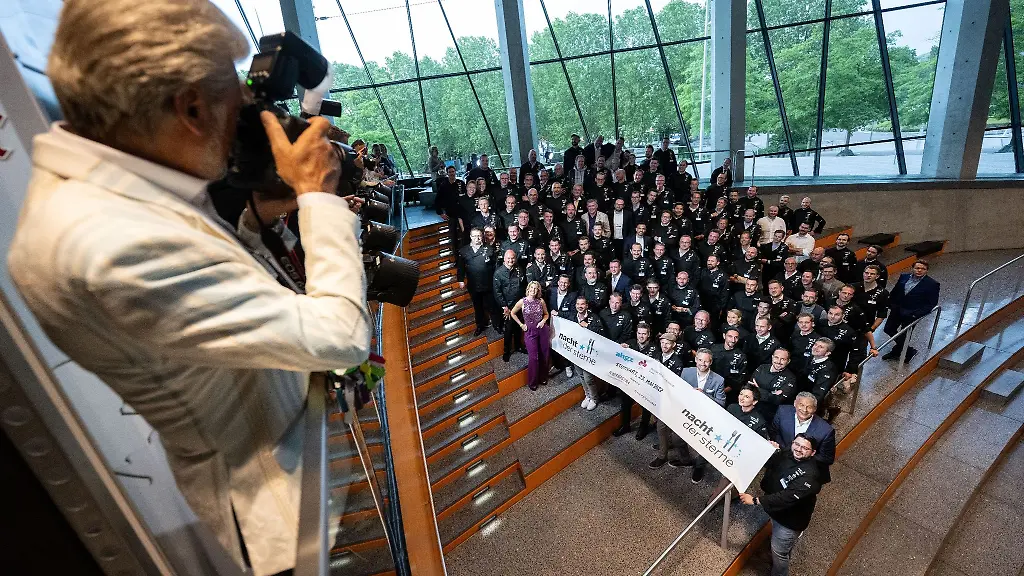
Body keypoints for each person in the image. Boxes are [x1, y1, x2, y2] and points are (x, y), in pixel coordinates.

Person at [8, 3, 372, 575]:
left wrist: (258, 227)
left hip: (304, 448)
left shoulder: (120, 191)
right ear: (193, 109)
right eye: (238, 106)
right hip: (288, 517)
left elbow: (218, 305)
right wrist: (318, 195)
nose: (248, 125)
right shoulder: (104, 244)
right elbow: (341, 334)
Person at [738, 433, 823, 576]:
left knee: (779, 551)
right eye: (796, 444)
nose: (798, 449)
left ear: (813, 452)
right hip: (776, 511)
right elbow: (772, 462)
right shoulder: (787, 452)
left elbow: (786, 497)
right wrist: (772, 449)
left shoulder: (810, 475)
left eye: (805, 448)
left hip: (789, 522)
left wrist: (754, 500)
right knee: (780, 546)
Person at [677, 349, 726, 482]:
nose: (702, 363)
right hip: (686, 412)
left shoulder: (719, 380)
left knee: (703, 444)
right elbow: (679, 392)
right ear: (695, 360)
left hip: (707, 417)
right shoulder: (686, 372)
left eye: (706, 361)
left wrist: (704, 395)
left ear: (710, 362)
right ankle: (685, 460)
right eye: (700, 360)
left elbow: (721, 403)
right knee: (678, 439)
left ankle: (699, 467)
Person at [770, 393, 836, 484]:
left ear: (815, 409)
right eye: (801, 405)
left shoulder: (826, 431)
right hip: (781, 462)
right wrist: (787, 451)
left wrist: (801, 454)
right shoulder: (782, 411)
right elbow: (774, 432)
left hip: (804, 473)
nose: (804, 410)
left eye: (809, 407)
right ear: (795, 404)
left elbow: (827, 458)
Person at [883, 260, 940, 362]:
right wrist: (890, 304)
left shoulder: (932, 284)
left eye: (923, 269)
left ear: (926, 271)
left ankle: (897, 351)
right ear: (912, 268)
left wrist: (916, 314)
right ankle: (908, 350)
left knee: (905, 335)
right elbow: (895, 291)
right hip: (897, 309)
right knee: (888, 329)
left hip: (912, 313)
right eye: (917, 268)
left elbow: (931, 303)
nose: (919, 270)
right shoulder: (904, 276)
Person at [615, 322, 658, 438]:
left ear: (649, 335)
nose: (641, 336)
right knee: (625, 404)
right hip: (629, 380)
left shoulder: (654, 349)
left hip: (644, 382)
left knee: (645, 407)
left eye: (644, 334)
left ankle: (643, 428)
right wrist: (622, 349)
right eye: (639, 333)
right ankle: (625, 426)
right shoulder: (630, 343)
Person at [511, 281, 551, 391]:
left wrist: (543, 320)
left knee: (544, 354)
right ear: (528, 289)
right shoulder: (522, 302)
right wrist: (521, 324)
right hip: (530, 332)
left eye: (536, 288)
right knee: (533, 358)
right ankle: (532, 382)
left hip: (542, 330)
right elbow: (512, 313)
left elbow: (547, 314)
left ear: (538, 290)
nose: (534, 290)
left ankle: (543, 377)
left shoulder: (541, 301)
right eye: (532, 288)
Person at [458, 228, 497, 336]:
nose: (477, 238)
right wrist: (460, 280)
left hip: (488, 283)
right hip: (473, 284)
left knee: (492, 306)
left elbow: (495, 266)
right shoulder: (464, 250)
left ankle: (496, 325)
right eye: (474, 236)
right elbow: (461, 267)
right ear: (470, 237)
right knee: (478, 307)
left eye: (479, 236)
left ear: (482, 236)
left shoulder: (489, 249)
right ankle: (480, 326)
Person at [571, 296, 606, 410]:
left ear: (586, 306)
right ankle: (588, 396)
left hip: (589, 353)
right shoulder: (573, 316)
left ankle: (595, 398)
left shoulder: (594, 317)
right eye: (578, 304)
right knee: (580, 375)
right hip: (576, 352)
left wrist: (588, 326)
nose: (580, 306)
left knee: (588, 378)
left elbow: (602, 334)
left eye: (582, 304)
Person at [493, 249, 527, 362]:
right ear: (504, 259)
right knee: (508, 330)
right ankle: (506, 351)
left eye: (512, 258)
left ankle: (518, 346)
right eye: (508, 258)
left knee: (518, 327)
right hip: (508, 307)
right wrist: (504, 306)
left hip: (519, 304)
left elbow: (522, 286)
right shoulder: (498, 273)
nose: (511, 260)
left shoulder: (519, 269)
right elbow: (497, 292)